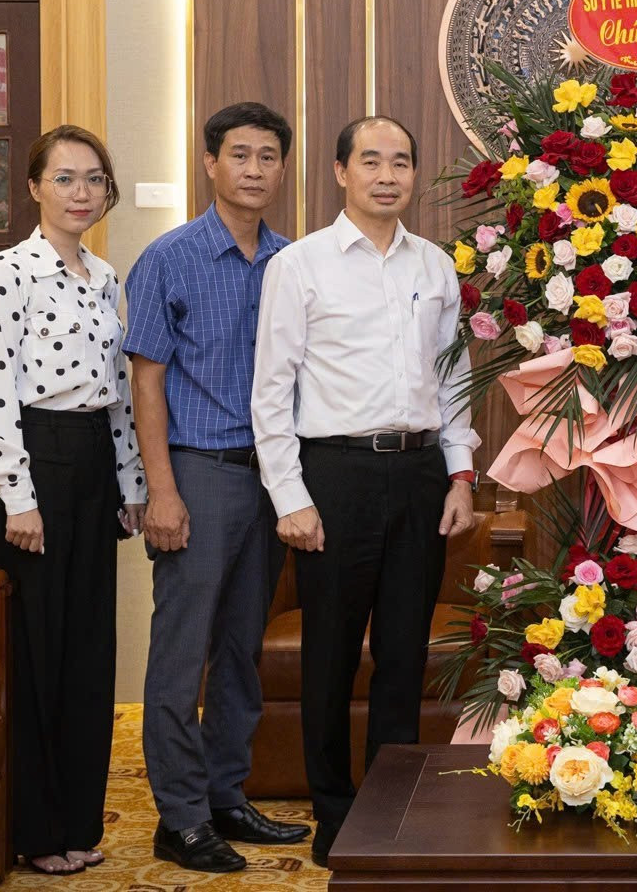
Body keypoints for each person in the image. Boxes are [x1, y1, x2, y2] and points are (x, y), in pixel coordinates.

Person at [250, 115, 480, 867]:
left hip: (418, 475)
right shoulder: (302, 266)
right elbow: (271, 390)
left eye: (402, 162)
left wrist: (459, 473)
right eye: (372, 161)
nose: (389, 175)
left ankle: (394, 810)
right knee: (332, 655)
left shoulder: (435, 267)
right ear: (341, 171)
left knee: (405, 653)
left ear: (415, 175)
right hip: (335, 475)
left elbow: (454, 381)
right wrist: (290, 497)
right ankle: (335, 812)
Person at [126, 102, 312, 873]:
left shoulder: (293, 260)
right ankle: (180, 816)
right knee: (182, 653)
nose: (255, 170)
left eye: (269, 157)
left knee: (241, 651)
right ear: (211, 163)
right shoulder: (169, 257)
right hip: (197, 473)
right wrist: (160, 491)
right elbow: (144, 379)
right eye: (240, 155)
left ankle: (227, 796)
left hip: (271, 479)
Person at [0, 124, 146, 877]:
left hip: (94, 466)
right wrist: (18, 496)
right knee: (38, 654)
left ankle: (78, 820)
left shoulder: (105, 278)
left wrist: (132, 484)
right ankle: (36, 831)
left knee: (87, 651)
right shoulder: (6, 273)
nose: (81, 193)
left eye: (94, 180)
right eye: (66, 178)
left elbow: (118, 399)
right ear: (35, 186)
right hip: (33, 466)